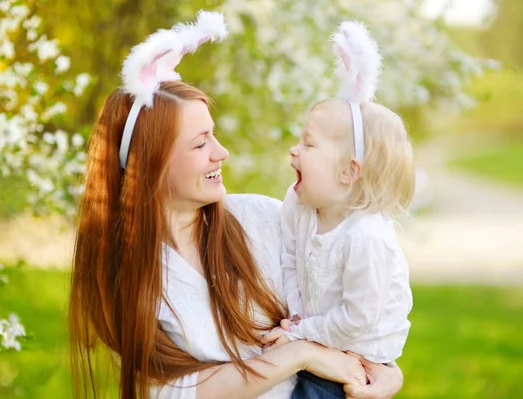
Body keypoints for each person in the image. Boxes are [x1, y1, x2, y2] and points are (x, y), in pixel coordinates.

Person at [68, 12, 404, 399]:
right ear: (150, 165)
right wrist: (300, 354)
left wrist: (384, 372)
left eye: (215, 136)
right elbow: (166, 392)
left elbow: (353, 305)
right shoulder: (133, 272)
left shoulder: (263, 219)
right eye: (200, 143)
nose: (221, 153)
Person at [261, 21, 414, 399]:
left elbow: (357, 319)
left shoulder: (365, 237)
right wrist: (298, 317)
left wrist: (300, 333)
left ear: (348, 172)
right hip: (320, 336)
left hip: (361, 354)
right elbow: (290, 260)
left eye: (309, 144)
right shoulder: (299, 203)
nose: (294, 150)